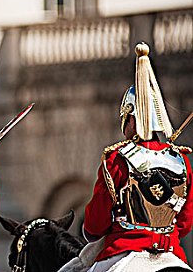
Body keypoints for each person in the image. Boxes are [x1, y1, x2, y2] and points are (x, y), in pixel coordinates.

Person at [83, 43, 193, 271]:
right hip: (171, 251)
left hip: (124, 250)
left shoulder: (117, 159)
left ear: (131, 119)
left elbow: (95, 225)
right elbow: (184, 223)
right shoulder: (181, 160)